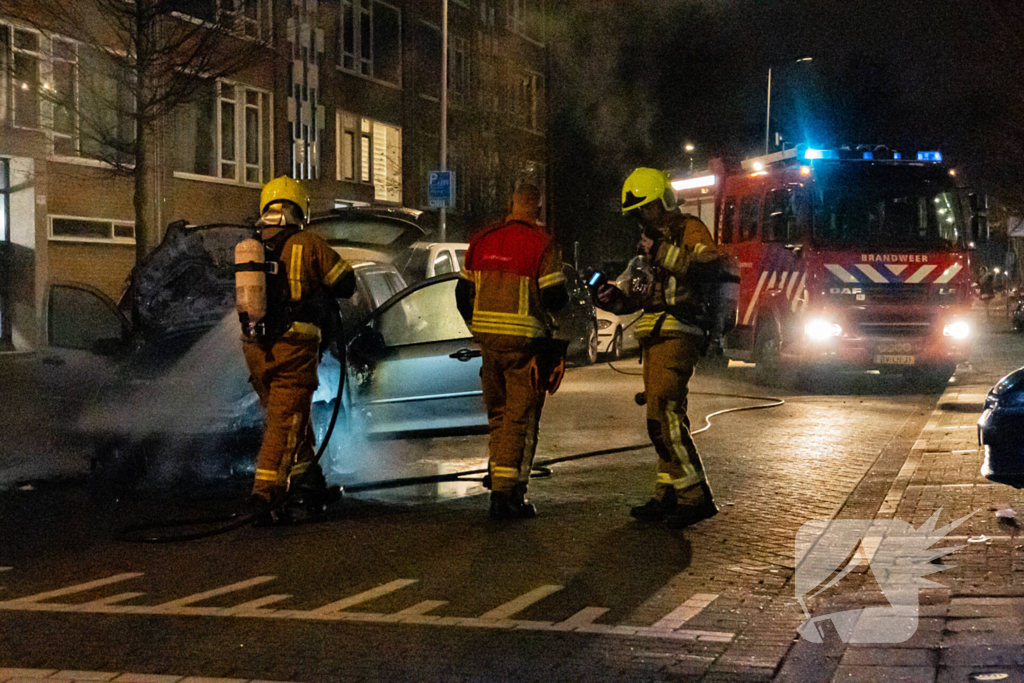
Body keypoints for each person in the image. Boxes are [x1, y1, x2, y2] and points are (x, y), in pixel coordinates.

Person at [598, 167, 720, 529]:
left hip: (679, 332)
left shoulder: (690, 230)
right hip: (655, 335)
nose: (643, 218)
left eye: (647, 209)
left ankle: (695, 496)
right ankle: (667, 492)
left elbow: (707, 270)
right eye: (638, 212)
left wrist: (663, 251)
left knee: (662, 416)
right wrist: (612, 298)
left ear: (664, 201)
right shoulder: (647, 244)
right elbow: (639, 293)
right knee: (662, 417)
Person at [238, 176, 356, 525]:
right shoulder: (309, 243)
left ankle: (310, 486)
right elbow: (346, 283)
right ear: (300, 209)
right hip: (293, 349)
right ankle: (266, 497)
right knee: (284, 426)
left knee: (291, 418)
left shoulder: (254, 244)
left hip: (256, 349)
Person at [456, 184, 569, 519]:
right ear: (537, 208)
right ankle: (507, 495)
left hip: (488, 344)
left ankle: (499, 477)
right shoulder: (542, 244)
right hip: (525, 347)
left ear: (510, 205)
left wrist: (478, 326)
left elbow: (462, 294)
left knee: (498, 416)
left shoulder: (481, 240)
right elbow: (553, 299)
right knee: (520, 418)